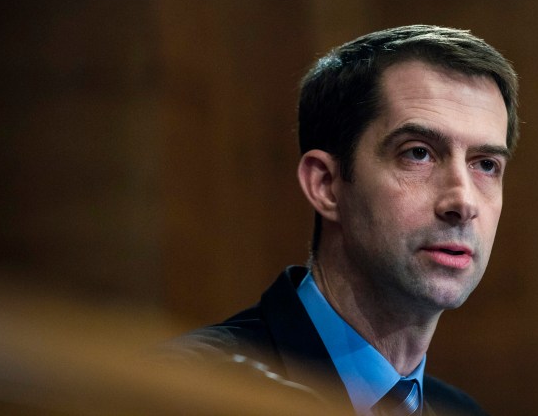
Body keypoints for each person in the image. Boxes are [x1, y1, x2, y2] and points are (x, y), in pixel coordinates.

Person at [169, 25, 519, 415]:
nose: (463, 201)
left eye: (486, 164)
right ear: (326, 185)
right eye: (418, 153)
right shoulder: (190, 391)